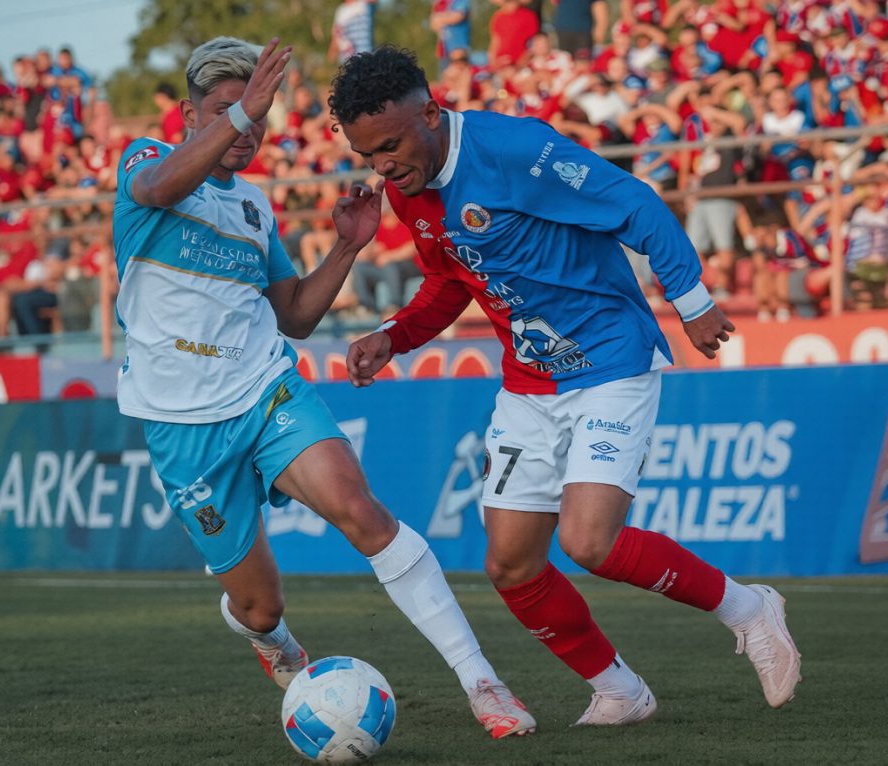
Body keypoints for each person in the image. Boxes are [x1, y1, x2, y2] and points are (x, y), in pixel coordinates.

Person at [329, 45, 802, 725]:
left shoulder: (516, 149)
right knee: (512, 565)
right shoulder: (409, 189)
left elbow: (635, 204)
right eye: (369, 154)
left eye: (392, 145)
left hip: (611, 359)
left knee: (590, 544)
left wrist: (691, 302)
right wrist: (393, 334)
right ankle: (618, 689)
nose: (383, 167)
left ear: (431, 112)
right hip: (528, 385)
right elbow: (449, 280)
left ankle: (750, 609)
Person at [111, 36, 535, 740]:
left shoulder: (253, 209)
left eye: (258, 110)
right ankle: (272, 642)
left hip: (264, 391)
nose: (248, 125)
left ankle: (482, 682)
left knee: (362, 512)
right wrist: (243, 112)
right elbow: (156, 192)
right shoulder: (148, 165)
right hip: (180, 423)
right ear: (191, 114)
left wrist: (347, 246)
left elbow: (298, 318)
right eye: (226, 109)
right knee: (259, 608)